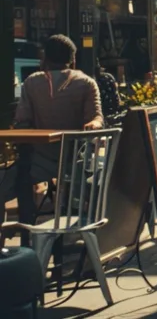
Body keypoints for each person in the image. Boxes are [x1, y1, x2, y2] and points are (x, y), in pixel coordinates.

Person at [2, 35, 104, 230]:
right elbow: (97, 119)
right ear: (73, 60)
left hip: (37, 162)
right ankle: (81, 227)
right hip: (76, 162)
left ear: (44, 59)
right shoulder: (87, 83)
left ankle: (22, 233)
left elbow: (22, 121)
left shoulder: (32, 82)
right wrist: (91, 125)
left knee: (15, 175)